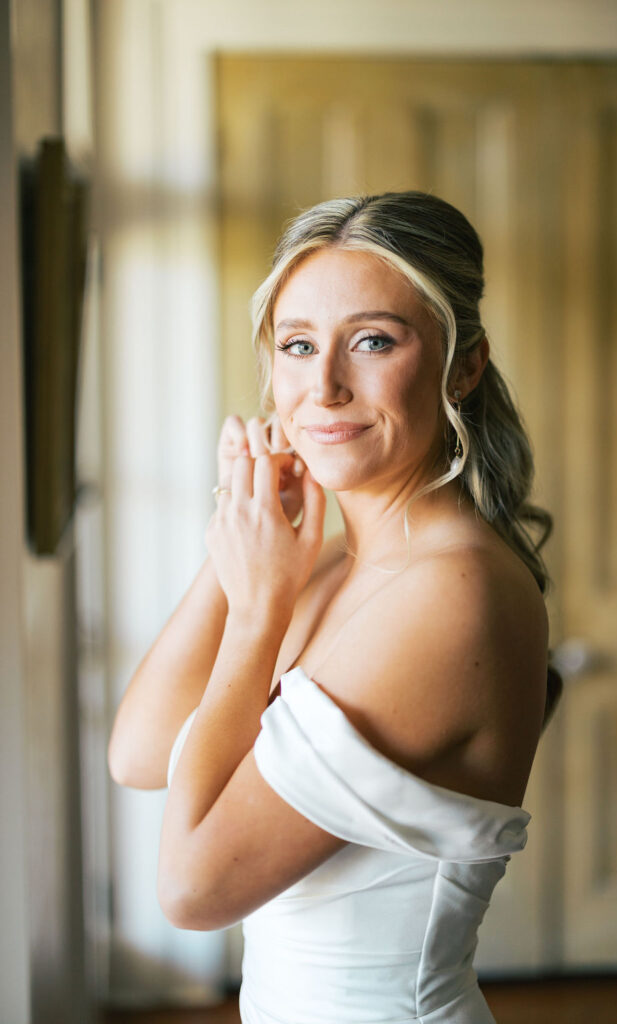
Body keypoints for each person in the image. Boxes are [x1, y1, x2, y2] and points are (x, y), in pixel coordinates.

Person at [108, 191, 562, 1024]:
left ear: (464, 365)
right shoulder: (330, 571)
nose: (322, 387)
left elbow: (193, 888)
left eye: (372, 341)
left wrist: (255, 613)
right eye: (297, 346)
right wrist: (244, 538)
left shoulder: (451, 593)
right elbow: (139, 753)